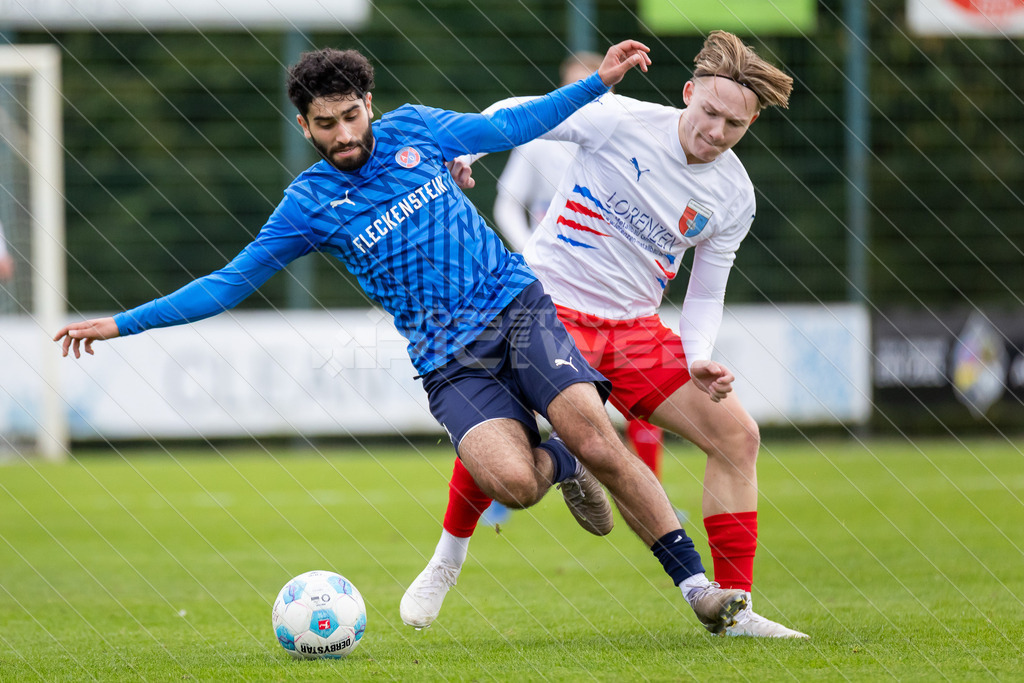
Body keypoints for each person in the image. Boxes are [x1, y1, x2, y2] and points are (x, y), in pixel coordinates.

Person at [53, 41, 751, 637]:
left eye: (352, 115)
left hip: (520, 309)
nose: (344, 133)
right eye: (326, 124)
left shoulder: (419, 131)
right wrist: (121, 323)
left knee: (604, 438)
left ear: (368, 104)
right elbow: (226, 283)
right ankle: (561, 462)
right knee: (512, 478)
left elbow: (509, 127)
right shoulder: (309, 204)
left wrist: (595, 84)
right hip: (449, 360)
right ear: (305, 126)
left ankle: (699, 590)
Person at [403, 31, 806, 639]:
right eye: (710, 113)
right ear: (688, 93)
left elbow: (705, 291)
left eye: (736, 124)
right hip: (547, 311)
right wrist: (468, 155)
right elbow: (517, 114)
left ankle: (735, 609)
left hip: (636, 331)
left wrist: (697, 357)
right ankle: (447, 561)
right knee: (502, 433)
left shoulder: (734, 194)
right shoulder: (618, 118)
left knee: (736, 436)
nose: (717, 132)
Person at [481, 51, 666, 530]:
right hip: (552, 285)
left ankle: (649, 493)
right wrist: (527, 254)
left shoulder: (631, 141)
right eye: (576, 88)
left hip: (613, 293)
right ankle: (499, 496)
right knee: (510, 388)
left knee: (643, 385)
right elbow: (506, 203)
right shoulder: (542, 139)